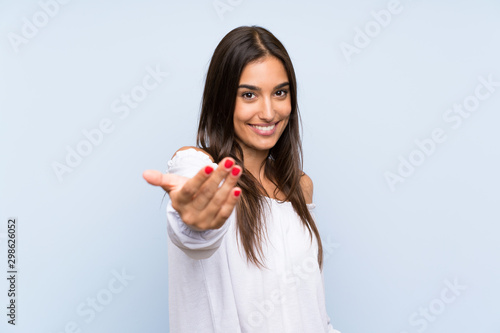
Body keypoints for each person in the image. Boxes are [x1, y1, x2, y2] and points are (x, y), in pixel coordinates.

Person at [143, 25, 340, 333]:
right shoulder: (198, 167)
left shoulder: (300, 187)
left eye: (280, 93)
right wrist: (194, 221)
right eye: (249, 94)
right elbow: (195, 233)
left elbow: (313, 309)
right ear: (223, 99)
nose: (268, 111)